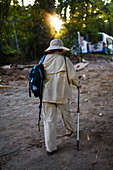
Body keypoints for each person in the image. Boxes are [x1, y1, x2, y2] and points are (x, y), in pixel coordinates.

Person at [42, 39, 81, 155]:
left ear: (51, 49)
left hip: (46, 95)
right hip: (62, 94)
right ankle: (70, 130)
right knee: (66, 113)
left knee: (49, 121)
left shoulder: (43, 59)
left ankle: (50, 147)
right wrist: (79, 84)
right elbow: (73, 77)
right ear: (60, 49)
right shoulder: (64, 60)